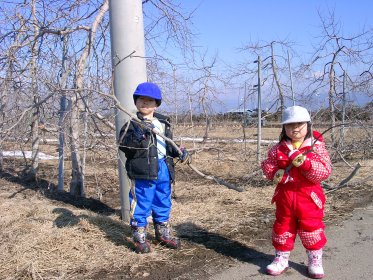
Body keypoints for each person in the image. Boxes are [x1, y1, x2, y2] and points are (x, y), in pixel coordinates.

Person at [118, 82, 190, 254]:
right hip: (143, 171)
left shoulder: (163, 123)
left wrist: (180, 152)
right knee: (142, 201)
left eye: (150, 101)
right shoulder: (132, 124)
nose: (145, 103)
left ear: (156, 104)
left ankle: (162, 230)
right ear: (136, 102)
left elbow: (167, 145)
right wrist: (141, 135)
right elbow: (124, 145)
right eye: (141, 100)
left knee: (162, 200)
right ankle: (139, 233)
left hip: (163, 168)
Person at [261, 106, 332, 279]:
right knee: (282, 226)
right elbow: (267, 164)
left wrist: (306, 164)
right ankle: (281, 258)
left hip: (309, 197)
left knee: (311, 228)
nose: (295, 128)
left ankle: (315, 260)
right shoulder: (278, 149)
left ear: (307, 124)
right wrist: (276, 174)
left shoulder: (316, 147)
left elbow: (325, 171)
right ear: (284, 128)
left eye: (300, 124)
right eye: (290, 125)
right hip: (285, 198)